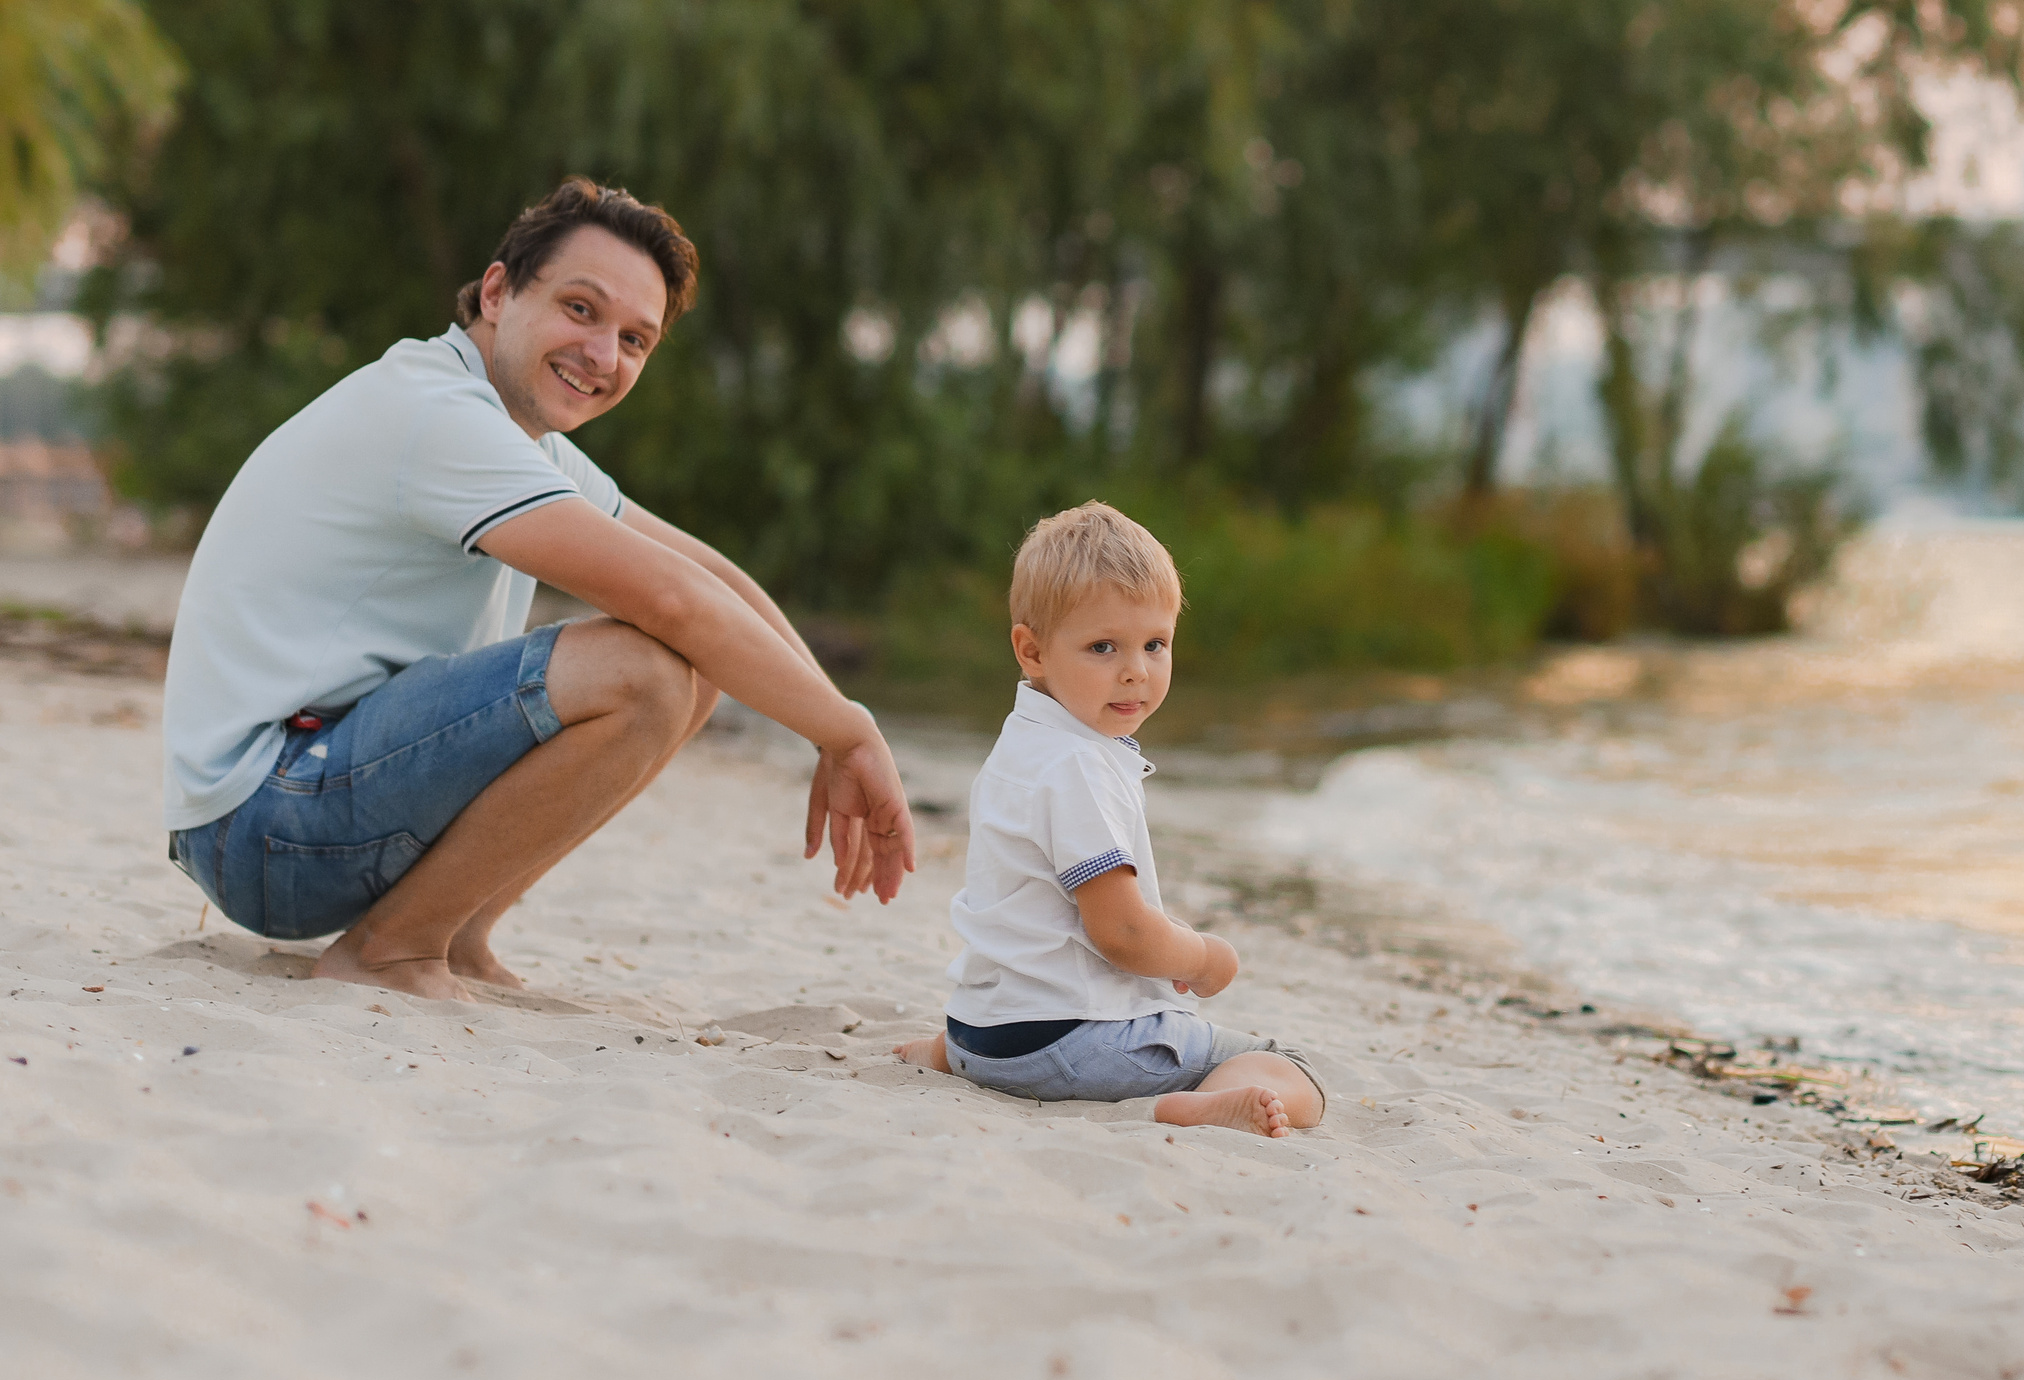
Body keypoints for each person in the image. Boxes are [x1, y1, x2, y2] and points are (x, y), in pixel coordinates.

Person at [161, 178, 915, 1001]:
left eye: (635, 339)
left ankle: (456, 928)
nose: (603, 354)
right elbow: (670, 604)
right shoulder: (436, 415)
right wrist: (848, 732)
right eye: (582, 309)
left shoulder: (515, 435)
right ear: (497, 291)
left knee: (693, 672)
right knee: (650, 673)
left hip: (295, 805)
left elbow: (711, 579)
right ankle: (392, 946)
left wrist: (835, 726)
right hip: (263, 821)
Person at [896, 502, 1325, 1138]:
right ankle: (1184, 1108)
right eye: (1104, 647)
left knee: (1011, 1011)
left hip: (983, 1031)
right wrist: (1203, 957)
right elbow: (1121, 932)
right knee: (1293, 1073)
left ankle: (945, 1053)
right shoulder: (1080, 767)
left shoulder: (1022, 743)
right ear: (1031, 650)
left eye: (1156, 644)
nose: (1136, 670)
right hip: (1066, 1042)